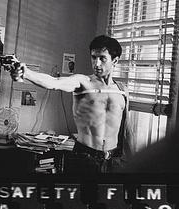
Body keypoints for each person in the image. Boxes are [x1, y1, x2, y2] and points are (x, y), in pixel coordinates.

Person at [7, 35, 130, 175]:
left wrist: (126, 158)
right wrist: (26, 73)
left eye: (102, 58)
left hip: (112, 161)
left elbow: (125, 128)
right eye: (93, 57)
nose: (96, 64)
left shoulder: (122, 90)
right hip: (84, 157)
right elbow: (54, 82)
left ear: (115, 60)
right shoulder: (83, 82)